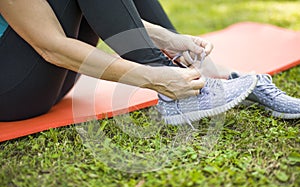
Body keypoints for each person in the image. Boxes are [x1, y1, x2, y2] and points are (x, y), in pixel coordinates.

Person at [0, 0, 297, 124]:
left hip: (44, 78)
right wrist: (152, 77)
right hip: (11, 92)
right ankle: (173, 87)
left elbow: (101, 14)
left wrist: (170, 40)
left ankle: (208, 76)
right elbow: (50, 46)